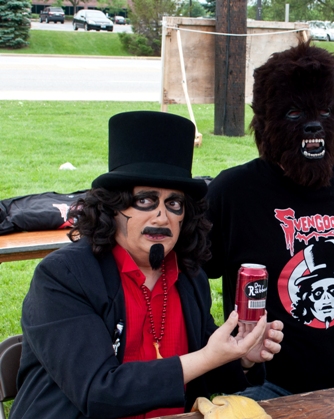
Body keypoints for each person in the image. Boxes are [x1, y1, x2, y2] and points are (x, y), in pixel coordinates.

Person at [10, 111, 283, 419]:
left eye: (174, 203)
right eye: (145, 201)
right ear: (113, 208)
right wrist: (207, 357)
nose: (161, 217)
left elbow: (202, 373)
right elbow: (98, 393)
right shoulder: (64, 277)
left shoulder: (188, 276)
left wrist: (241, 357)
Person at [204, 42, 334, 399]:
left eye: (323, 111)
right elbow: (188, 276)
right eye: (294, 114)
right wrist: (217, 350)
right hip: (265, 386)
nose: (313, 124)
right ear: (266, 120)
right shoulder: (234, 192)